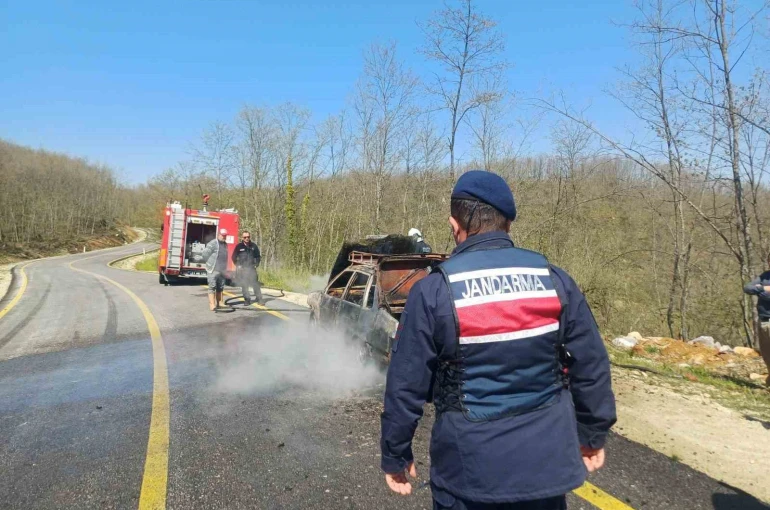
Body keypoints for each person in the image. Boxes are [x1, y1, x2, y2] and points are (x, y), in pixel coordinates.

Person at [380, 170, 616, 510]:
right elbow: (591, 364)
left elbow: (405, 384)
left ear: (454, 225)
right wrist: (592, 435)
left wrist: (395, 453)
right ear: (508, 224)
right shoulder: (553, 280)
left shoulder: (433, 291)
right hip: (545, 471)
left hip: (468, 474)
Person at [743, 265, 770, 385]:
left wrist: (761, 291)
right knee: (766, 353)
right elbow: (748, 288)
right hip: (762, 320)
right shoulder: (765, 276)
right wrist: (763, 289)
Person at [201, 228, 230, 311]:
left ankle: (220, 302)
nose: (223, 237)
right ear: (218, 235)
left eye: (225, 236)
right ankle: (212, 304)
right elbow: (205, 254)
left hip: (222, 270)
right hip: (213, 269)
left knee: (220, 287)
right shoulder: (213, 243)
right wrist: (209, 262)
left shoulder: (225, 244)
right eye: (222, 235)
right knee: (212, 286)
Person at [232, 230, 264, 306]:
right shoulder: (239, 246)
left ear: (250, 237)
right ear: (242, 238)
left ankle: (259, 299)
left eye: (248, 237)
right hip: (243, 270)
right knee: (244, 285)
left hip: (252, 269)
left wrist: (256, 264)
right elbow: (233, 257)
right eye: (245, 237)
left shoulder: (254, 246)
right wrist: (237, 265)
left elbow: (258, 256)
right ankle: (247, 300)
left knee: (255, 284)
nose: (247, 238)